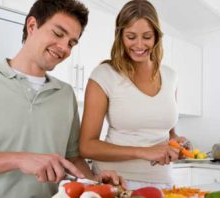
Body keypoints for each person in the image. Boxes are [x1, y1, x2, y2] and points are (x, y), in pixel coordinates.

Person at [0, 0, 124, 197]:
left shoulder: (65, 94)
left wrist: (93, 181)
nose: (64, 48)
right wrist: (19, 159)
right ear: (32, 26)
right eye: (58, 33)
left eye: (72, 42)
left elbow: (72, 158)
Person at [80, 0, 191, 190]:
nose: (139, 45)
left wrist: (179, 144)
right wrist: (144, 152)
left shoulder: (171, 77)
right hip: (117, 182)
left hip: (163, 182)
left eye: (147, 36)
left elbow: (170, 132)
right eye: (131, 36)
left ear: (156, 37)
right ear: (120, 36)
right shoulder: (104, 75)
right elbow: (86, 146)